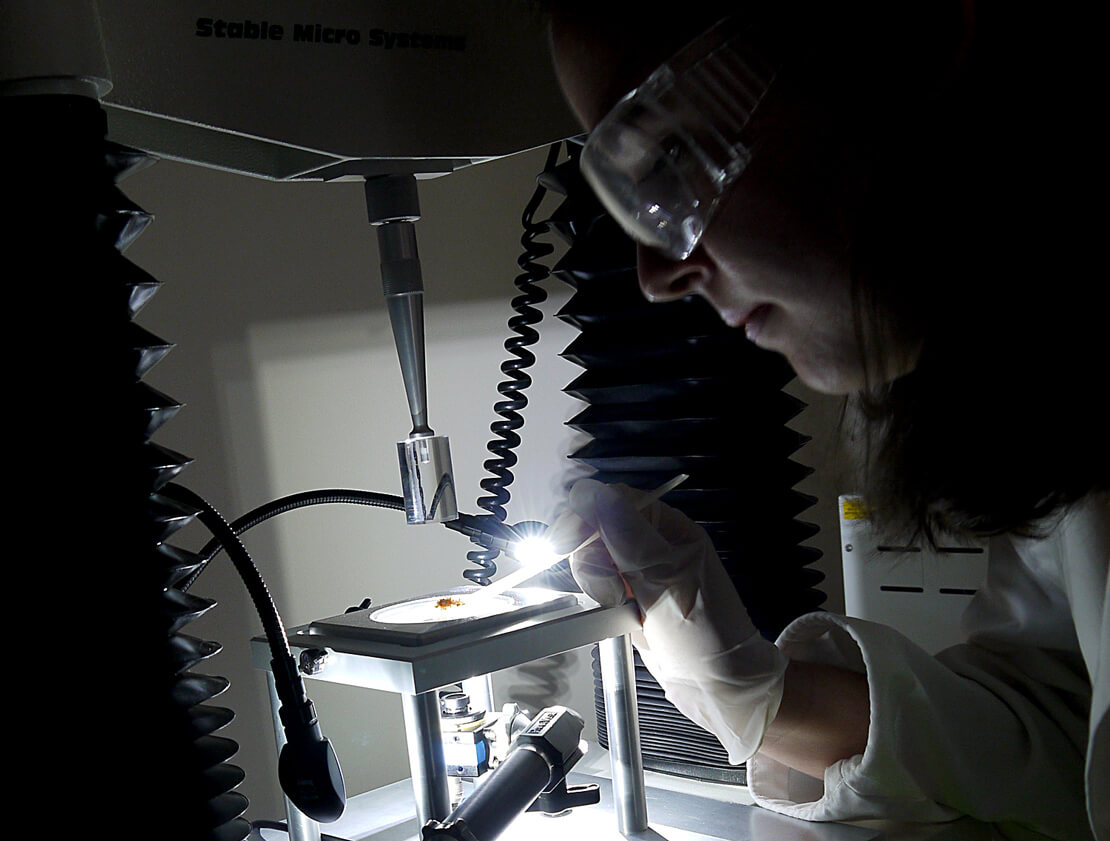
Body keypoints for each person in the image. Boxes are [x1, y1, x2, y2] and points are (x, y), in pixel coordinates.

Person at [540, 2, 1108, 839]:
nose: (659, 272)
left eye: (671, 152)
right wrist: (763, 698)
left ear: (901, 40)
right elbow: (1060, 729)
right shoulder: (1064, 398)